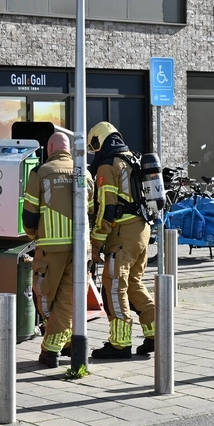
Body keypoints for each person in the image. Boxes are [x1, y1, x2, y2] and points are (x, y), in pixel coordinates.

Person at [87, 122, 157, 359]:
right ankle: (155, 333)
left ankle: (119, 343)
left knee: (115, 285)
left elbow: (107, 207)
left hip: (122, 235)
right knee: (134, 283)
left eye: (94, 146)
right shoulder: (132, 158)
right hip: (141, 230)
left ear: (100, 142)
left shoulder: (108, 165)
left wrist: (96, 243)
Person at [23, 131, 77, 367]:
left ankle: (51, 348)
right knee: (66, 299)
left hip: (50, 247)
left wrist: (33, 235)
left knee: (45, 297)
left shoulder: (42, 171)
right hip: (78, 248)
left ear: (50, 148)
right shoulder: (82, 171)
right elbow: (93, 209)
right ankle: (64, 343)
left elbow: (30, 213)